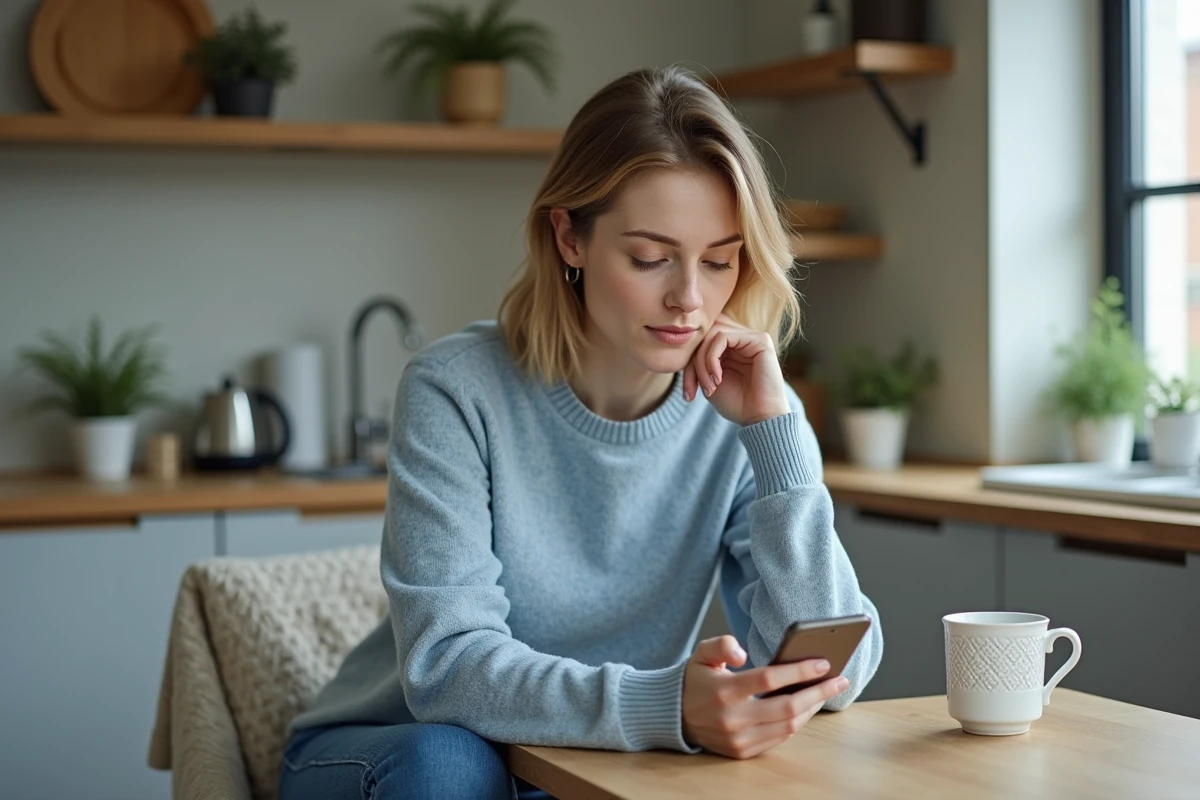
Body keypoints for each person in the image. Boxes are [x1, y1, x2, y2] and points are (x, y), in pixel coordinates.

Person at [278, 64, 883, 800]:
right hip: (395, 749)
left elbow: (840, 670)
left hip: (580, 758)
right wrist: (666, 706)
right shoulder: (455, 389)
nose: (689, 299)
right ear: (569, 237)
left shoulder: (745, 407)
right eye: (650, 257)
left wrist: (777, 439)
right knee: (452, 770)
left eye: (720, 260)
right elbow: (447, 670)